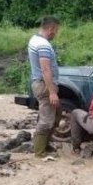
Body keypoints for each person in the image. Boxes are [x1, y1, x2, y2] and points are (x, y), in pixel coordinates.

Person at [27, 16, 61, 158]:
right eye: (56, 30)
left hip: (40, 83)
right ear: (50, 28)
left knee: (57, 114)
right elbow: (45, 69)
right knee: (47, 119)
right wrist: (52, 92)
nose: (56, 34)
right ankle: (39, 152)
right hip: (44, 85)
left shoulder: (34, 39)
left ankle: (44, 144)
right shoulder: (43, 45)